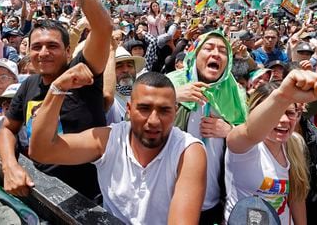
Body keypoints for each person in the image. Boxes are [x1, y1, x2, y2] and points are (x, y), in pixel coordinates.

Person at [0, 0, 112, 199]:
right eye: (36, 47)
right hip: (39, 194)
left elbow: (103, 27)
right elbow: (7, 129)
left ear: (68, 51)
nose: (43, 53)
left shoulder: (82, 73)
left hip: (86, 199)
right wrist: (10, 165)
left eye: (52, 46)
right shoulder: (28, 86)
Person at [29, 70, 207, 224]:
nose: (153, 121)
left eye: (164, 110)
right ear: (129, 110)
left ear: (175, 111)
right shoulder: (109, 140)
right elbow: (41, 151)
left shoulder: (188, 151)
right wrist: (58, 88)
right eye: (144, 108)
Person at [225, 70, 317, 224]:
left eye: (290, 113)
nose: (284, 119)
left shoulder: (295, 143)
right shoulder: (243, 146)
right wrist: (283, 95)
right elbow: (249, 132)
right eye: (277, 113)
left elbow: (296, 199)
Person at [167, 30, 247, 224]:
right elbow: (134, 118)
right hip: (168, 198)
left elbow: (250, 138)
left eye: (222, 51)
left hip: (213, 201)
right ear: (195, 54)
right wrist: (172, 96)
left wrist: (230, 131)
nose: (216, 54)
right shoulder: (171, 83)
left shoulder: (235, 92)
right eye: (209, 48)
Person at [104, 46, 145, 125]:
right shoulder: (107, 99)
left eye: (130, 66)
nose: (125, 70)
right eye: (119, 66)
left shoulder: (143, 95)